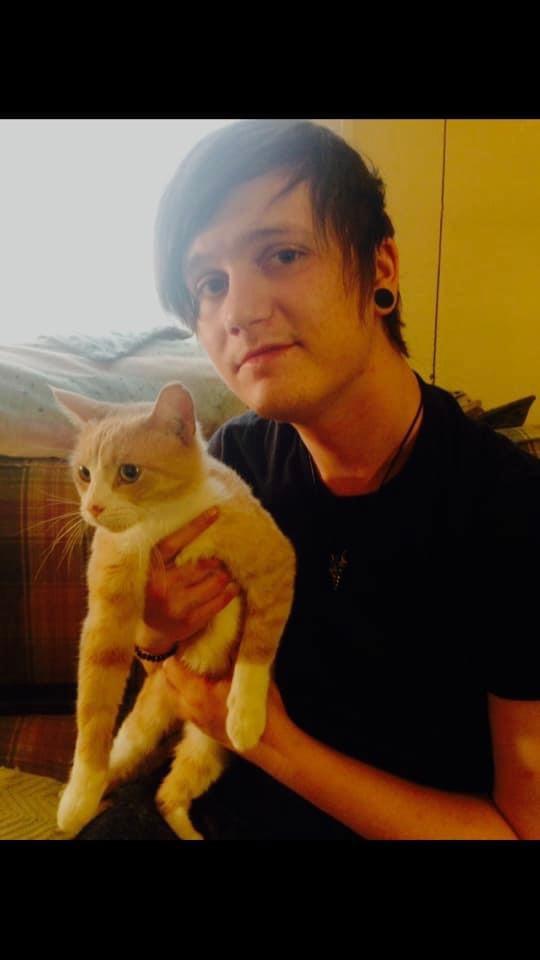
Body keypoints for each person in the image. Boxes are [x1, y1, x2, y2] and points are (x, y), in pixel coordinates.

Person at [76, 119, 540, 841]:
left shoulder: (509, 507)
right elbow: (185, 679)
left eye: (284, 254)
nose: (240, 312)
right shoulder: (233, 463)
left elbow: (520, 829)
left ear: (381, 266)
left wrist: (275, 745)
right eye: (209, 284)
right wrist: (155, 633)